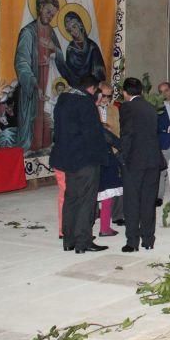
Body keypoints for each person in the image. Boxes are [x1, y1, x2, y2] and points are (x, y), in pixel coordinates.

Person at [49, 74, 108, 253]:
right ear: (92, 88)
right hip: (86, 159)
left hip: (66, 158)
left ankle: (69, 240)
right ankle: (83, 242)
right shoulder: (85, 103)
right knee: (86, 201)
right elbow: (94, 134)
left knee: (71, 198)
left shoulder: (63, 100)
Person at [15, 0, 69, 152]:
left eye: (53, 14)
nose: (50, 16)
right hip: (34, 82)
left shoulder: (51, 31)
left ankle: (46, 148)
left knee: (47, 118)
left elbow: (60, 57)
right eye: (48, 12)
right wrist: (33, 84)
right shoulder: (28, 32)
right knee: (32, 118)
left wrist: (54, 51)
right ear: (40, 8)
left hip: (48, 81)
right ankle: (30, 149)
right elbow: (22, 62)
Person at [120, 77, 166, 252]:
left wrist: (122, 157)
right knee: (148, 201)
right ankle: (148, 239)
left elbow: (127, 135)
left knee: (132, 202)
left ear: (125, 92)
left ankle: (132, 241)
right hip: (153, 160)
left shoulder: (127, 107)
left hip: (135, 161)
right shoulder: (150, 107)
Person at [96, 88, 123, 237]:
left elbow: (118, 130)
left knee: (114, 186)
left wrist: (118, 145)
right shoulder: (91, 109)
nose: (106, 99)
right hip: (98, 153)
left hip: (112, 151)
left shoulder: (114, 110)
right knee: (99, 189)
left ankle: (117, 216)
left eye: (109, 96)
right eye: (103, 96)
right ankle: (97, 220)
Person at [62, 11, 106, 87]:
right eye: (69, 30)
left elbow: (99, 69)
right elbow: (69, 72)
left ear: (80, 25)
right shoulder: (70, 49)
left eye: (74, 27)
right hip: (78, 88)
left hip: (93, 87)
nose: (73, 32)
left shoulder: (92, 46)